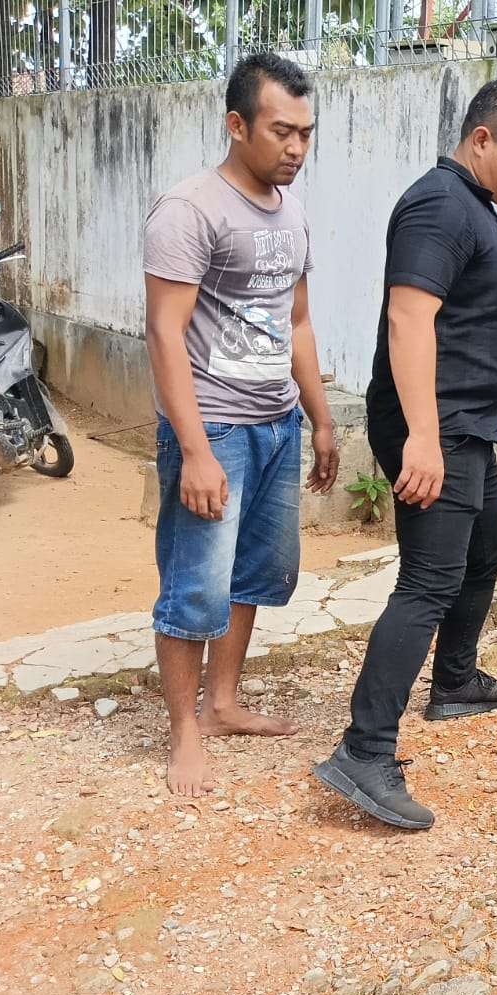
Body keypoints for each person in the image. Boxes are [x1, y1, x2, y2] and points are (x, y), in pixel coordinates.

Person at [311, 79, 497, 831]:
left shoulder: (470, 204)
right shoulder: (440, 206)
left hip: (463, 423)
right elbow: (408, 319)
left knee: (488, 544)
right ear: (481, 138)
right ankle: (364, 751)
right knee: (427, 582)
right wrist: (423, 436)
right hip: (438, 425)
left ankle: (453, 680)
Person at [142, 53, 338, 799]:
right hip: (215, 427)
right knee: (196, 585)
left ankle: (222, 705)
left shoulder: (292, 212)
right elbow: (165, 334)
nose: (295, 148)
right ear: (237, 125)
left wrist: (318, 418)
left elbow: (299, 323)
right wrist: (193, 449)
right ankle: (184, 730)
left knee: (259, 573)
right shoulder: (189, 210)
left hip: (277, 424)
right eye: (281, 131)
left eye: (305, 134)